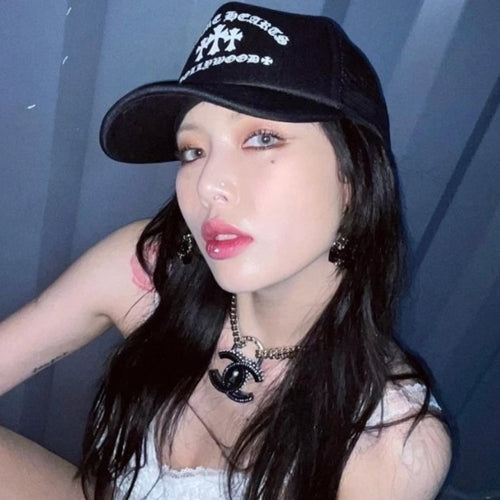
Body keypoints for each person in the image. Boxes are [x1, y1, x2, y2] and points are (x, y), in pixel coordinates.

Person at [0, 2, 451, 499]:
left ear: (353, 179)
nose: (208, 184)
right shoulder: (151, 269)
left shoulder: (390, 443)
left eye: (262, 138)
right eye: (193, 151)